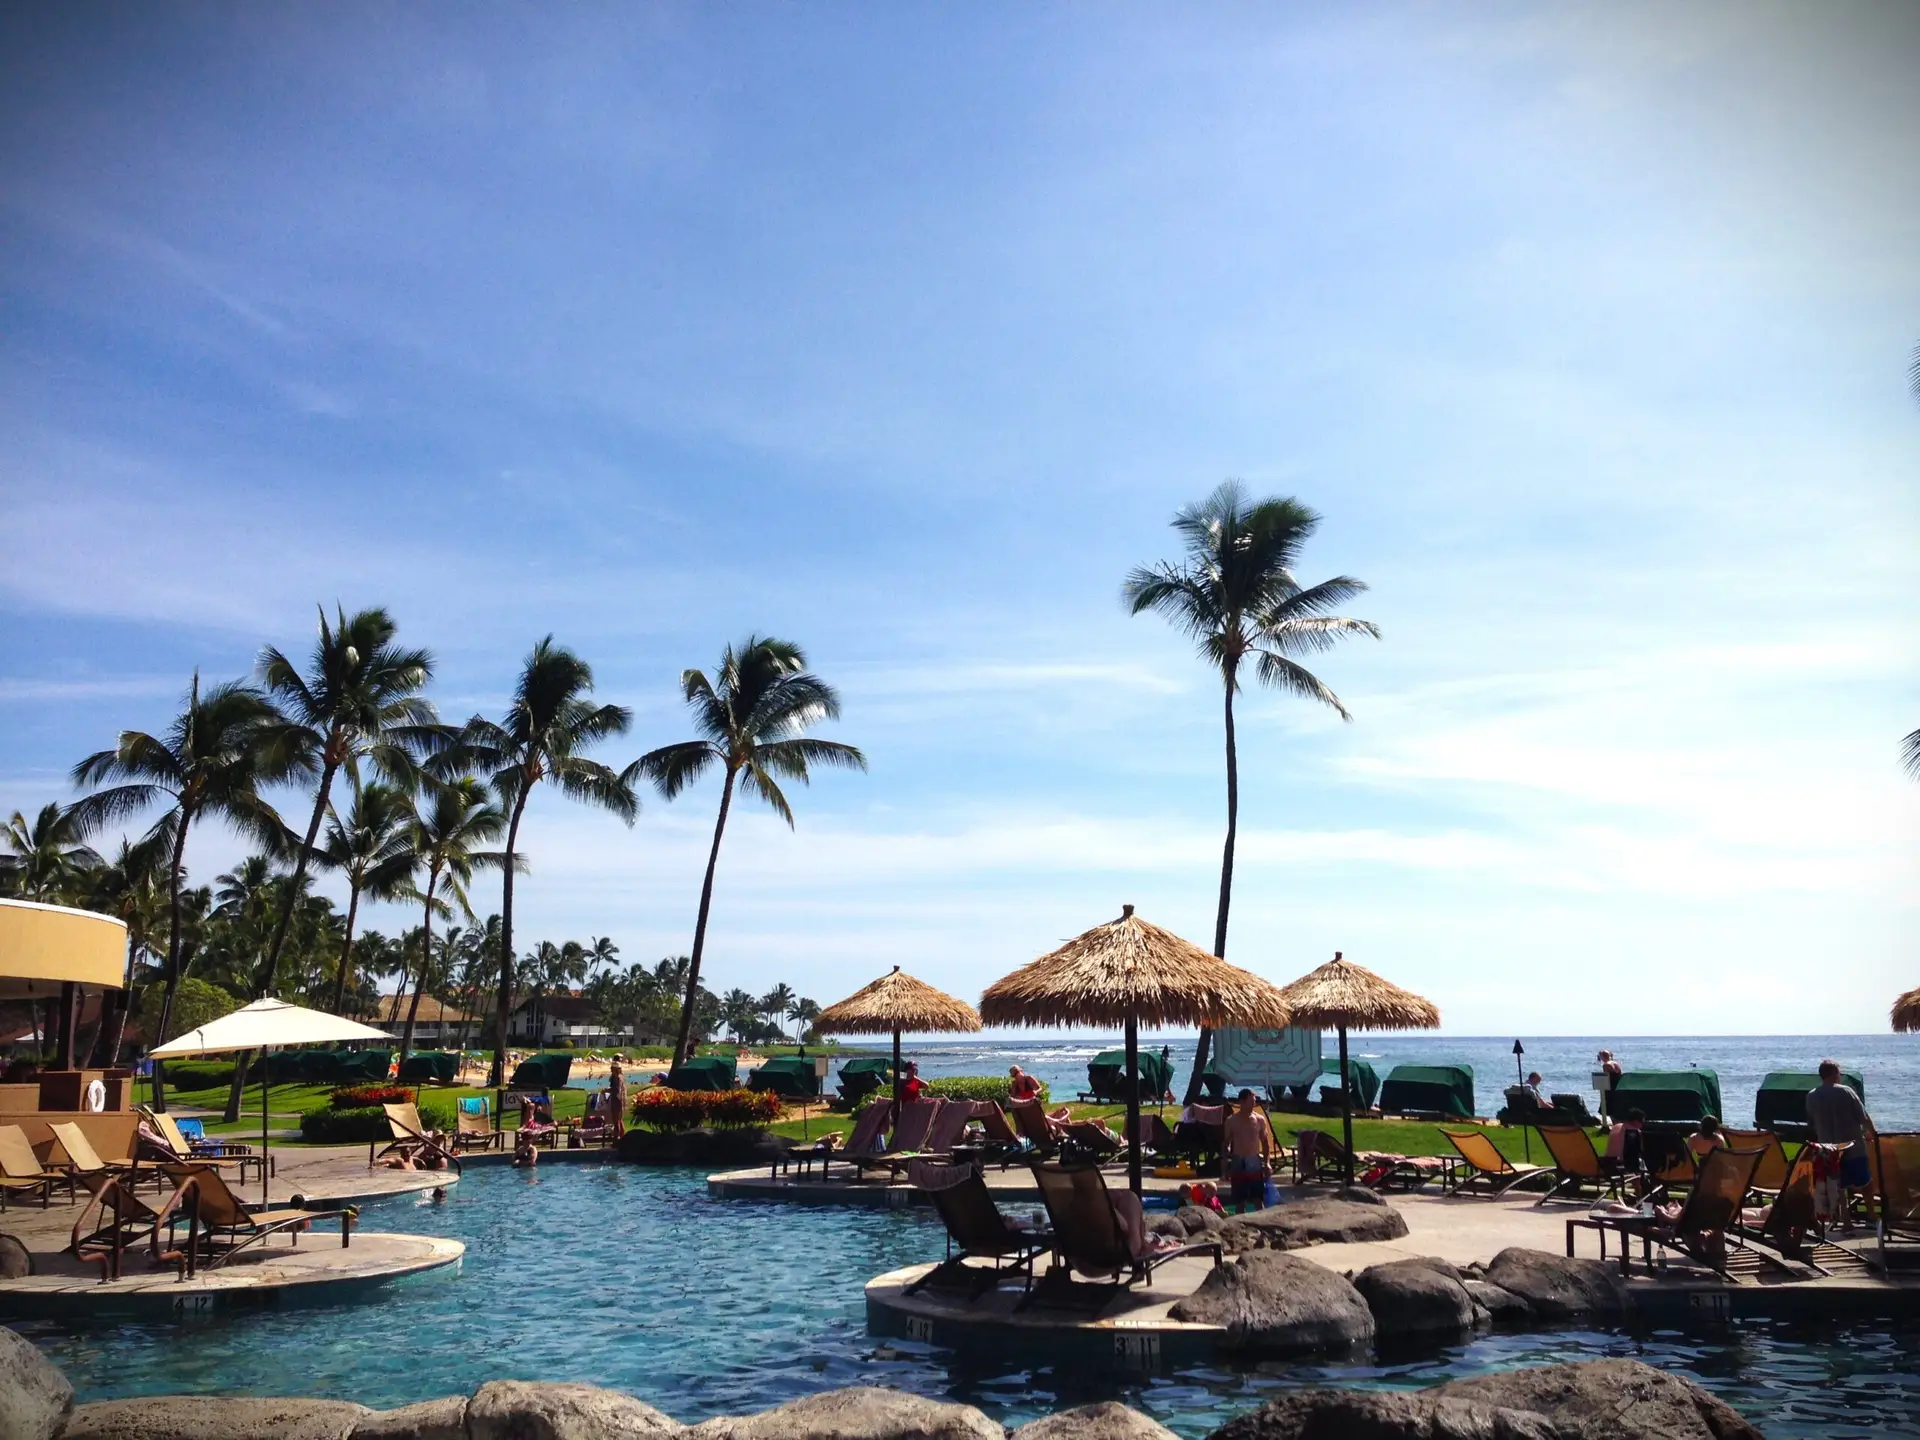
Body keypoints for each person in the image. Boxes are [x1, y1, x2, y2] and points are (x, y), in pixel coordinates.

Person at [1806, 1060, 1871, 1225]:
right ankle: (1872, 1214)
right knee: (1865, 1182)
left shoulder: (1812, 1095)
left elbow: (1812, 1122)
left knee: (1839, 1184)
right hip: (1852, 1146)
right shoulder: (1846, 1091)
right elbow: (1863, 1117)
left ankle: (1846, 1219)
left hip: (1828, 1149)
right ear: (1835, 1073)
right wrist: (1873, 1133)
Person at [1223, 1088, 1277, 1214]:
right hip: (1238, 1160)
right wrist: (1225, 1167)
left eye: (1254, 1100)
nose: (1254, 1102)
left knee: (1258, 1198)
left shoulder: (1259, 1119)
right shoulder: (1231, 1121)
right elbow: (1225, 1144)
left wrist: (1267, 1162)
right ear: (1242, 1101)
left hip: (1254, 1161)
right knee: (1239, 1199)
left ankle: (1262, 1222)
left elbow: (1264, 1143)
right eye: (1251, 1100)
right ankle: (1238, 1225)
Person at [1602, 1107, 1647, 1193]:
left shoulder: (1615, 1127)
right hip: (1622, 1168)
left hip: (1607, 1166)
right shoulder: (1634, 1132)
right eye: (1642, 1122)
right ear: (1636, 1121)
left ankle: (1638, 1192)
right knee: (1640, 1167)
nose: (1642, 1125)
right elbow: (1638, 1152)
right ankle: (1641, 1193)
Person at [607, 1057, 628, 1141]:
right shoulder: (621, 1077)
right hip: (621, 1101)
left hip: (617, 1100)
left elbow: (616, 1090)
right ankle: (623, 1139)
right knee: (620, 1120)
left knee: (616, 1122)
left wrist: (607, 1090)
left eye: (612, 1068)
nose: (611, 1070)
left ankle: (617, 1140)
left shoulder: (617, 1078)